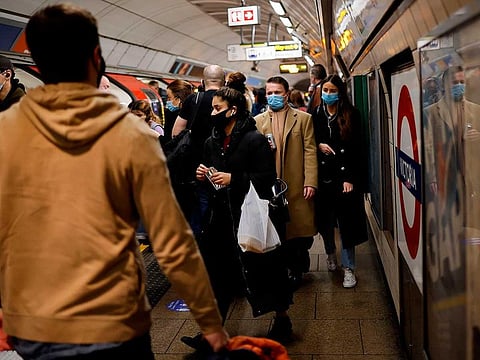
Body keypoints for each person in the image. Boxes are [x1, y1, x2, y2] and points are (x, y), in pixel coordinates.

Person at [0, 3, 228, 359]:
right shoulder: (131, 135)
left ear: (35, 63)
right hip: (113, 319)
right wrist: (211, 324)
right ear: (96, 57)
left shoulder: (5, 131)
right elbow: (171, 240)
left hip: (33, 321)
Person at [186, 86, 293, 347]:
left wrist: (234, 179)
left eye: (217, 109)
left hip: (250, 216)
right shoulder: (212, 141)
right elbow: (213, 178)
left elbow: (267, 178)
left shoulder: (254, 139)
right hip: (221, 217)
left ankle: (282, 319)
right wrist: (203, 175)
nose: (213, 113)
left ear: (232, 111)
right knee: (218, 275)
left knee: (264, 270)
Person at [254, 76, 318, 290]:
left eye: (277, 93)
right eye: (269, 93)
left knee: (297, 229)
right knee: (277, 228)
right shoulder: (258, 121)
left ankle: (297, 268)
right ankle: (284, 269)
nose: (273, 97)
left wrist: (311, 181)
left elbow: (310, 151)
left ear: (286, 94)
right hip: (271, 186)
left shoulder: (303, 119)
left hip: (296, 182)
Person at [311, 74, 368, 288]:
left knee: (347, 226)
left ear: (340, 92)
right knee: (325, 223)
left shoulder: (351, 114)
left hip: (344, 179)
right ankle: (329, 254)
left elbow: (358, 149)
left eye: (332, 91)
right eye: (325, 90)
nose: (328, 94)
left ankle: (349, 268)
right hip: (324, 178)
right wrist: (318, 146)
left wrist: (350, 178)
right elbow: (309, 142)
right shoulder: (316, 114)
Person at [172, 64, 225, 236]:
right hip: (224, 162)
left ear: (202, 82)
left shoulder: (193, 100)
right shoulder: (229, 100)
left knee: (199, 202)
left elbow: (176, 132)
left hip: (195, 164)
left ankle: (200, 239)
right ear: (224, 83)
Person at [163, 79, 194, 145]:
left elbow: (168, 140)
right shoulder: (193, 114)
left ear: (178, 99)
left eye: (169, 97)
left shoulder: (172, 116)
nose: (167, 101)